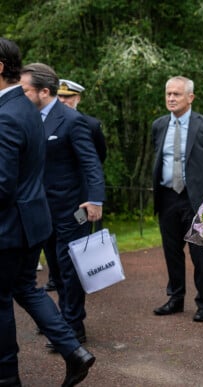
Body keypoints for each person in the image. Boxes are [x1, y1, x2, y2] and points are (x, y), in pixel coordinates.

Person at [0, 37, 95, 387]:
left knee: (3, 301)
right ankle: (74, 351)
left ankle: (7, 375)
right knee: (27, 289)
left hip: (9, 227)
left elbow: (2, 183)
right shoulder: (25, 109)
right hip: (31, 222)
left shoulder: (7, 114)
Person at [20, 62, 106, 349]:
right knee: (55, 272)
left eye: (25, 90)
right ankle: (60, 322)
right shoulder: (27, 118)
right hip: (40, 211)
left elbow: (91, 162)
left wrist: (95, 199)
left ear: (44, 92)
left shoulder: (71, 120)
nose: (20, 94)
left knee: (70, 270)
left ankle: (72, 329)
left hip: (72, 210)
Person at [151, 76, 203, 322]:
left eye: (177, 94)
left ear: (190, 97)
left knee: (199, 254)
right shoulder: (159, 125)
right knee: (172, 252)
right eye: (168, 94)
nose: (171, 98)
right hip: (168, 197)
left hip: (197, 201)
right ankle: (175, 299)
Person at [38, 79, 108, 293]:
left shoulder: (90, 124)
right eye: (60, 96)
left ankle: (80, 295)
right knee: (54, 252)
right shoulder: (39, 122)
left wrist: (94, 196)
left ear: (78, 98)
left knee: (75, 253)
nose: (63, 100)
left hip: (80, 201)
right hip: (50, 199)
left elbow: (96, 160)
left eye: (68, 97)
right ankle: (57, 284)